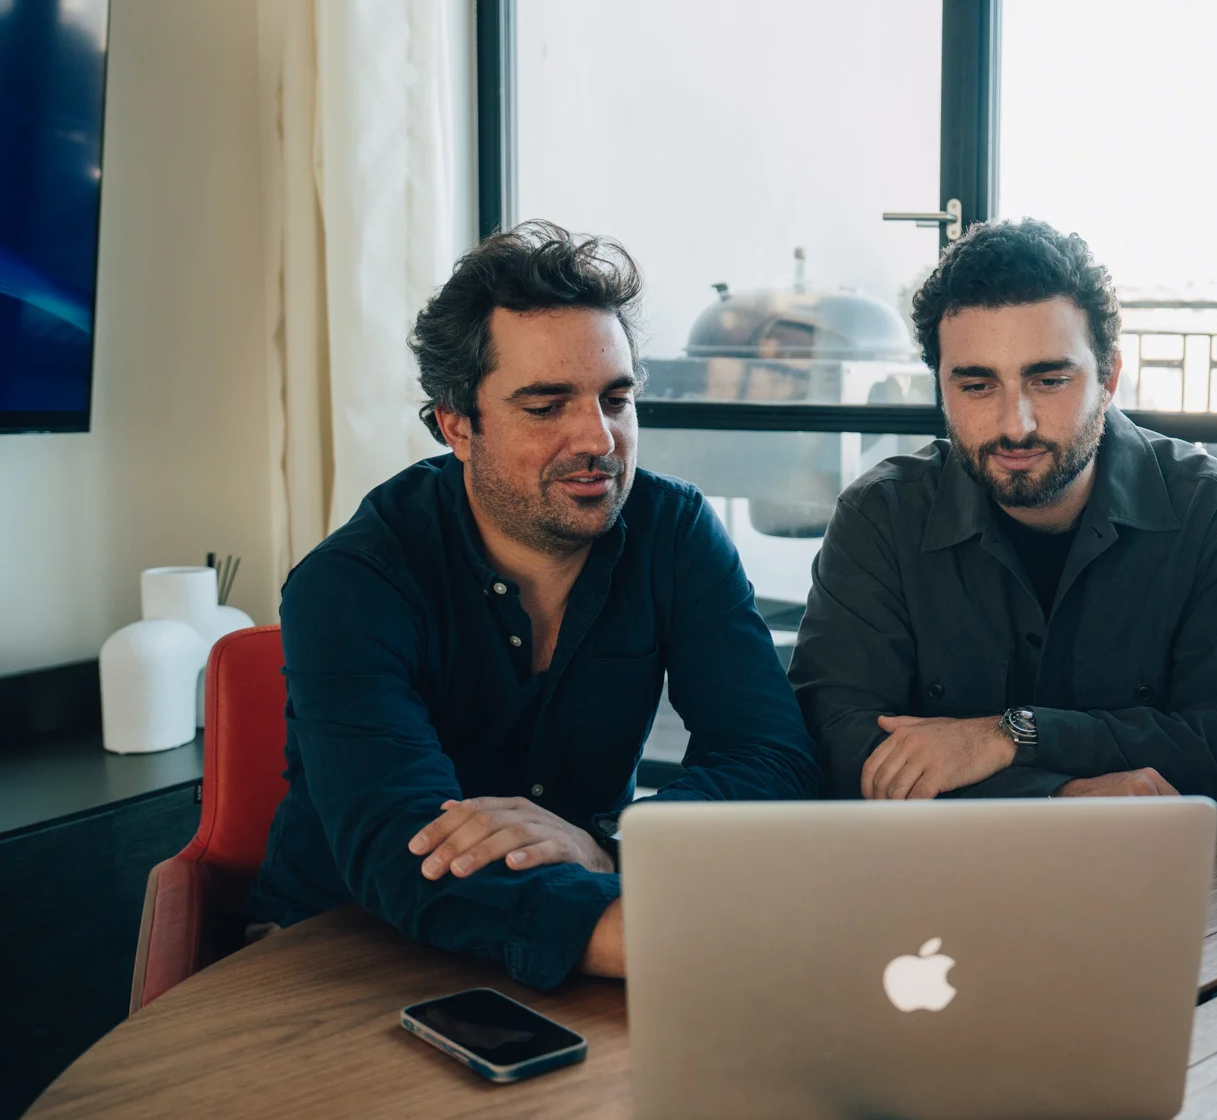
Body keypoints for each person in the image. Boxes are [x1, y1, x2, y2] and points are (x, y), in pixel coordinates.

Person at [246, 222, 819, 988]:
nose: (599, 439)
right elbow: (403, 844)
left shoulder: (673, 531)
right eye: (547, 406)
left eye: (615, 399)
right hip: (347, 952)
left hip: (582, 929)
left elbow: (771, 758)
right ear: (456, 422)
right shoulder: (353, 581)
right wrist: (645, 934)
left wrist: (610, 839)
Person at [789, 218, 1217, 815]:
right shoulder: (880, 517)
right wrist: (1060, 797)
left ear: (1108, 378)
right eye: (978, 386)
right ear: (940, 387)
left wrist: (1012, 736)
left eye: (1050, 379)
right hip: (934, 876)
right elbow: (830, 744)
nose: (1017, 424)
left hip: (1164, 877)